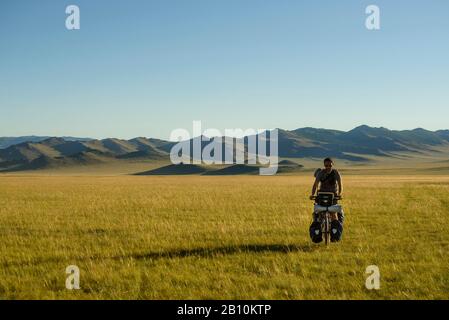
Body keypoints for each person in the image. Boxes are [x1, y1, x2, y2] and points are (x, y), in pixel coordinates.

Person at [309, 157, 345, 243]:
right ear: (324, 165)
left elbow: (340, 185)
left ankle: (333, 235)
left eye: (330, 165)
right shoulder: (321, 173)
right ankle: (320, 230)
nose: (328, 167)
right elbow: (315, 184)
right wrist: (313, 194)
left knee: (333, 214)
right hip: (322, 195)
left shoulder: (336, 173)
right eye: (326, 165)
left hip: (333, 196)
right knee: (318, 214)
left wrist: (339, 194)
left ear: (332, 165)